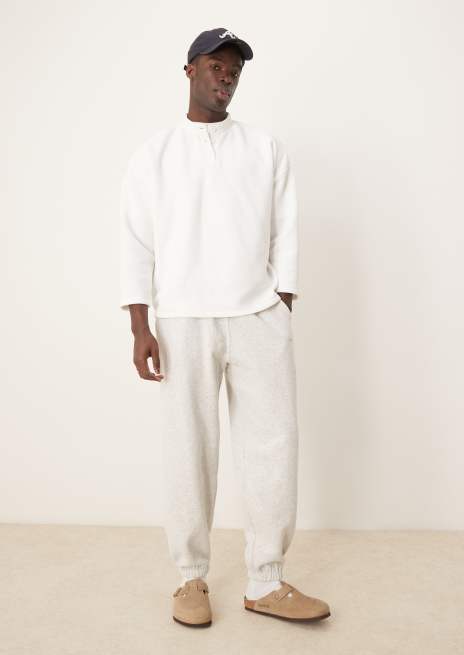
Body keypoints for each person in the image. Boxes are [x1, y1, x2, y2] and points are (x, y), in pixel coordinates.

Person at [119, 27, 331, 627]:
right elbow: (136, 242)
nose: (227, 75)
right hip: (182, 320)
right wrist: (140, 325)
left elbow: (286, 229)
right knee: (188, 449)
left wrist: (281, 301)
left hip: (258, 316)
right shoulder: (154, 155)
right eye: (216, 64)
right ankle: (190, 578)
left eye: (235, 68)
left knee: (272, 446)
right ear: (189, 70)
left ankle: (266, 579)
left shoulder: (264, 148)